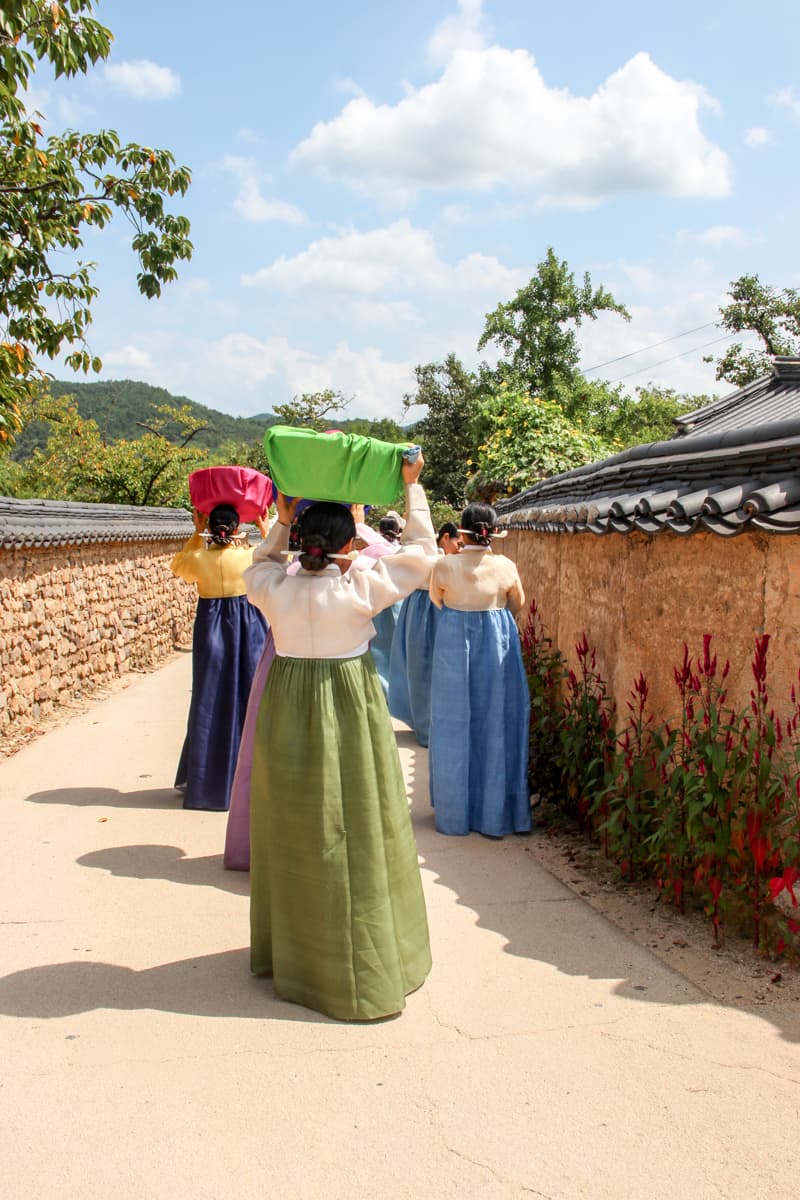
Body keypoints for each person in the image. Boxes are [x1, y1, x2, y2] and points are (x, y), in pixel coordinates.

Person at [243, 454, 436, 1021]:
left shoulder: (273, 587)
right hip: (348, 702)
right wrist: (413, 487)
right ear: (351, 543)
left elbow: (260, 560)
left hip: (286, 705)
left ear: (302, 540)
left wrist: (280, 521)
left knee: (295, 829)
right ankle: (365, 961)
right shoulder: (361, 587)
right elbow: (423, 556)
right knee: (358, 824)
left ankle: (298, 957)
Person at [427, 502, 531, 838]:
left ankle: (455, 811)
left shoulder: (444, 565)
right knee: (498, 719)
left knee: (452, 722)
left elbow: (437, 600)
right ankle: (496, 810)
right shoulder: (505, 565)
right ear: (494, 531)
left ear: (462, 531)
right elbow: (518, 604)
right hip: (497, 641)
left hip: (453, 644)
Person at [171, 504, 269, 811]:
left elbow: (179, 566)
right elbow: (278, 558)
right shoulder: (249, 555)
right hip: (248, 624)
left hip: (210, 625)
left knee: (208, 697)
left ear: (209, 527)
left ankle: (206, 781)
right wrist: (264, 528)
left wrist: (196, 534)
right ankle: (253, 778)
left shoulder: (198, 559)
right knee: (250, 696)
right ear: (238, 528)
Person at [388, 521, 461, 747]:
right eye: (458, 542)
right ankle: (425, 727)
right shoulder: (431, 557)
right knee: (419, 669)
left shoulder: (446, 559)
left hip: (429, 610)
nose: (460, 548)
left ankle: (431, 726)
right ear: (446, 537)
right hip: (423, 609)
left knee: (431, 669)